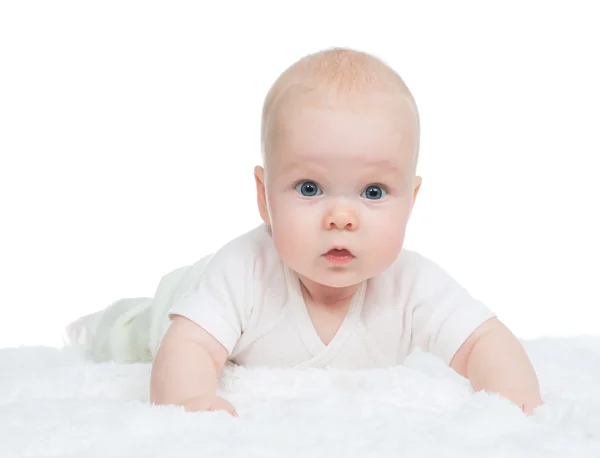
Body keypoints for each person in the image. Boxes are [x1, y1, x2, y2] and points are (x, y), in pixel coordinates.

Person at [65, 47, 544, 417]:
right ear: (264, 197)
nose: (341, 217)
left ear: (410, 202)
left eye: (373, 192)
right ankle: (98, 323)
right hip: (183, 301)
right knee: (132, 336)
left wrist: (514, 402)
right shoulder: (243, 271)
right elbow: (188, 347)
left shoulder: (412, 284)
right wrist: (191, 401)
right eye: (310, 187)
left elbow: (486, 342)